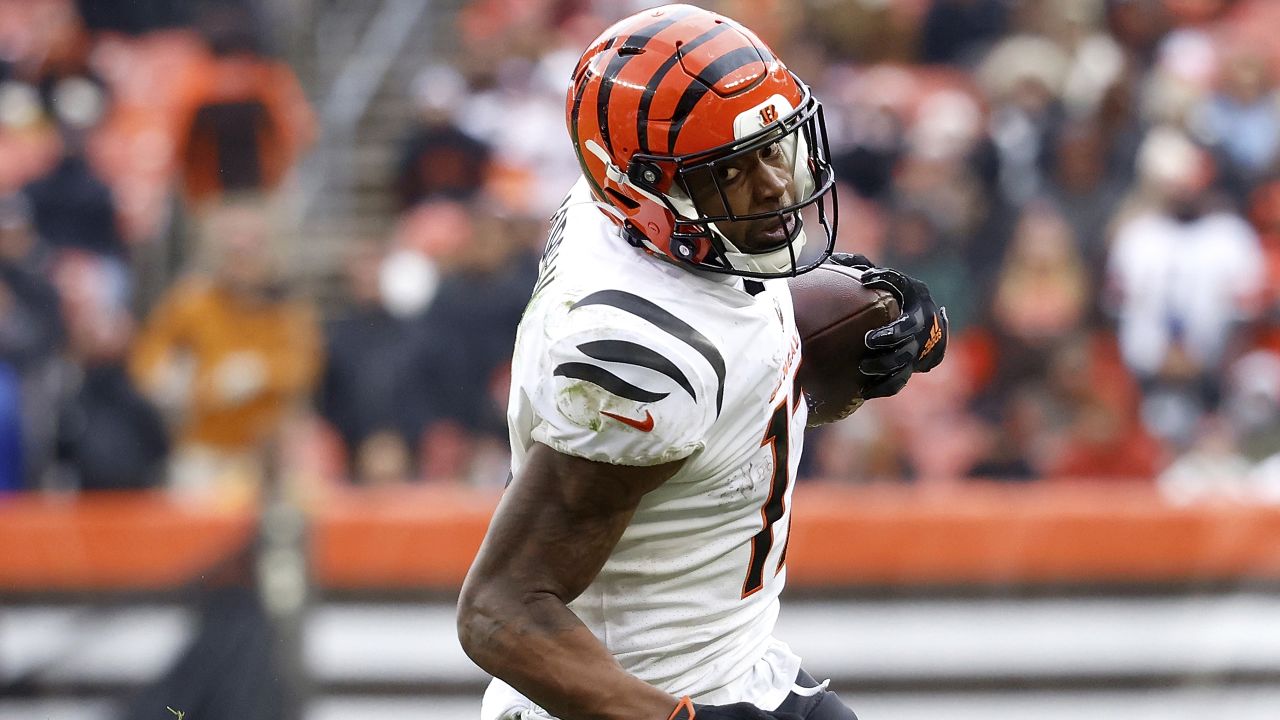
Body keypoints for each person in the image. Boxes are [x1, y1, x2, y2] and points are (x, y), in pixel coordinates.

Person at [455, 6, 947, 720]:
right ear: (649, 192)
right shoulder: (642, 355)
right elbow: (500, 613)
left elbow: (735, 322)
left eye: (772, 147)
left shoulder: (620, 210)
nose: (777, 185)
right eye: (734, 171)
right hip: (645, 697)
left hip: (742, 669)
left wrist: (884, 318)